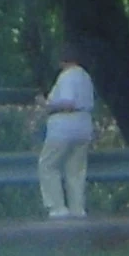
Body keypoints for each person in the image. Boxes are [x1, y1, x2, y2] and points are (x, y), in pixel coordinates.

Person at [38, 46, 95, 220]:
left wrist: (46, 105)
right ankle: (78, 209)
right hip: (84, 126)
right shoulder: (85, 76)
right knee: (76, 170)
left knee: (48, 164)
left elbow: (68, 103)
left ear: (62, 60)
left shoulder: (67, 76)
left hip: (64, 128)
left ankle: (57, 208)